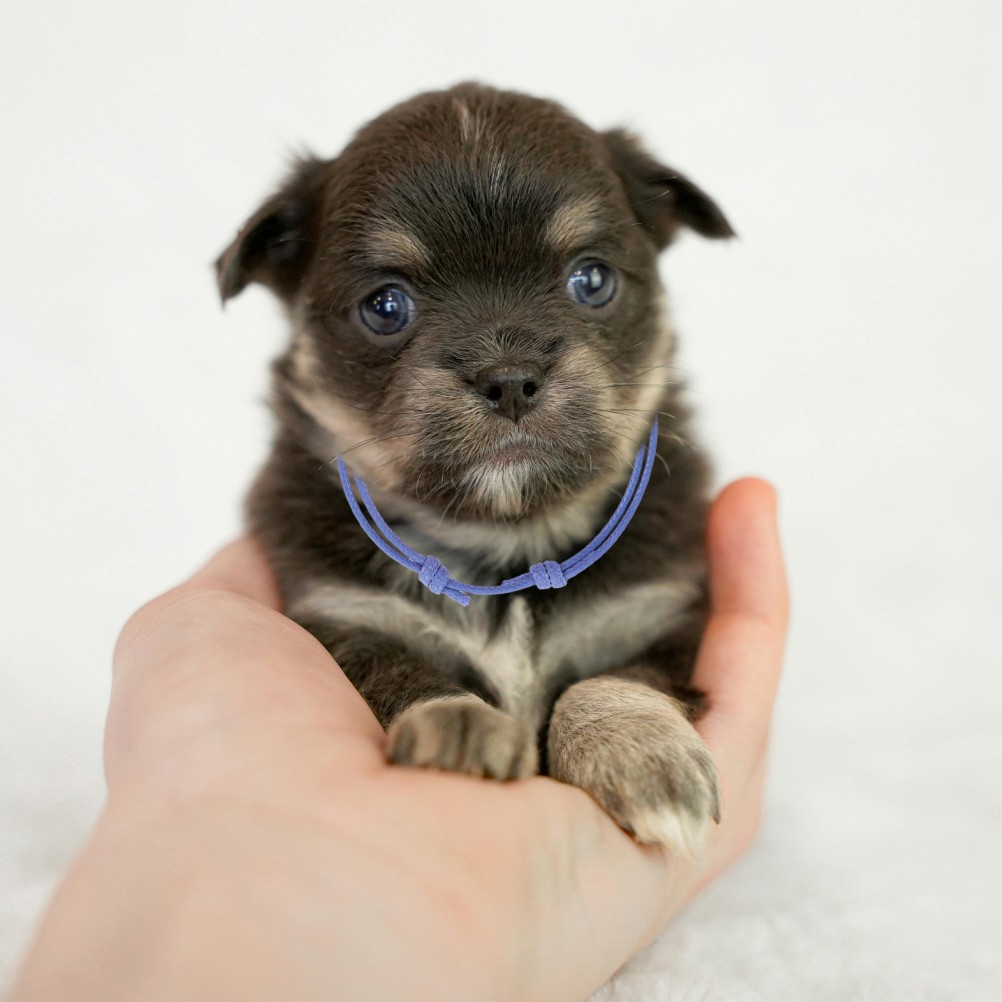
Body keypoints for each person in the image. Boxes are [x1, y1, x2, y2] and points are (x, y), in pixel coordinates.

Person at [7, 479, 787, 1001]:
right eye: (389, 305)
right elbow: (347, 650)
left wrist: (617, 708)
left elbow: (668, 642)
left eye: (589, 289)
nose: (507, 364)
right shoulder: (315, 528)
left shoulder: (658, 527)